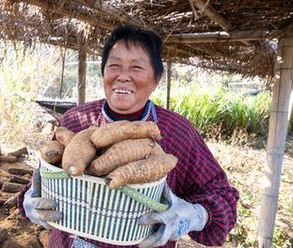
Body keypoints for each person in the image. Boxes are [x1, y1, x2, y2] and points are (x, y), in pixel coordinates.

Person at [18, 25, 239, 248]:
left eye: (137, 68)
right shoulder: (75, 119)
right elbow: (46, 176)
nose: (123, 77)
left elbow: (223, 197)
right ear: (103, 72)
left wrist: (195, 215)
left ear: (156, 79)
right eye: (114, 66)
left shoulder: (177, 132)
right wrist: (31, 198)